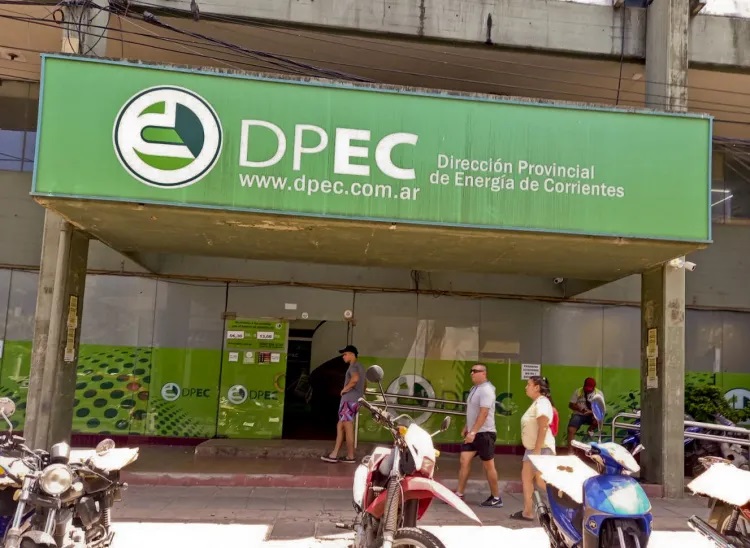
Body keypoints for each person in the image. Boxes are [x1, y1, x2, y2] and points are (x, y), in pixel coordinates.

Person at [455, 363, 503, 508]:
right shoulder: (474, 388)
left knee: (489, 466)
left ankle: (496, 497)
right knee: (464, 460)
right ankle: (459, 494)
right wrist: (467, 426)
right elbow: (473, 411)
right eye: (471, 371)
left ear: (484, 373)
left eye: (475, 371)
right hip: (474, 432)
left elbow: (484, 413)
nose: (472, 373)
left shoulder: (487, 390)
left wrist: (473, 432)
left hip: (484, 433)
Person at [511, 375, 556, 521]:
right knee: (527, 480)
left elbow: (543, 427)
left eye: (528, 384)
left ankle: (558, 513)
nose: (526, 387)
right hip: (531, 450)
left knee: (542, 483)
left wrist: (537, 451)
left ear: (537, 388)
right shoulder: (537, 403)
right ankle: (528, 511)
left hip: (541, 449)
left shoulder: (543, 403)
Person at [321, 345, 365, 464]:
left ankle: (351, 456)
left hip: (349, 401)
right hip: (354, 400)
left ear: (352, 354)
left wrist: (345, 389)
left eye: (345, 354)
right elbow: (363, 383)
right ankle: (334, 454)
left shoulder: (354, 366)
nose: (343, 357)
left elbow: (355, 379)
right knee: (340, 426)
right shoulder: (360, 366)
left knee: (347, 427)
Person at [567, 377, 605, 451]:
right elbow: (571, 405)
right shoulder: (578, 391)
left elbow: (601, 409)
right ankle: (570, 451)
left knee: (598, 419)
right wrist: (581, 409)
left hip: (592, 414)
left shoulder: (598, 394)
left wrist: (591, 412)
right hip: (579, 414)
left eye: (590, 389)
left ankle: (591, 429)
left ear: (594, 387)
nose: (588, 391)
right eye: (586, 389)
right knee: (571, 429)